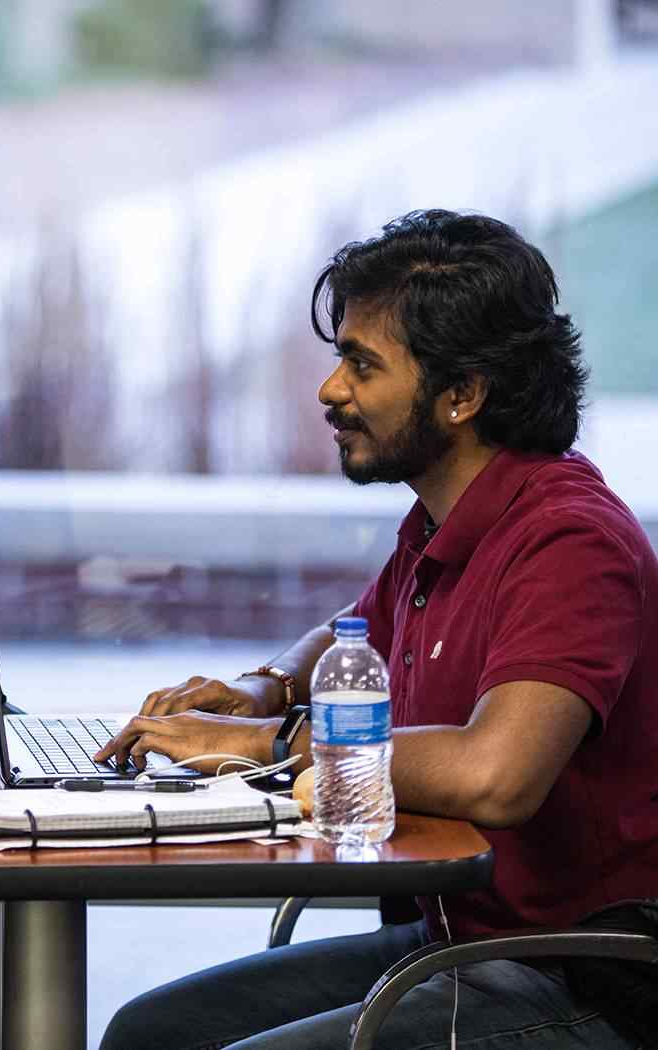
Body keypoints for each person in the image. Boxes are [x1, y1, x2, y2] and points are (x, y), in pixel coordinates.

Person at [95, 210, 658, 1050]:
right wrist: (262, 689)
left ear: (462, 395)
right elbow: (350, 629)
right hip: (464, 944)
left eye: (362, 365)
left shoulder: (570, 543)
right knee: (152, 1033)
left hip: (586, 975)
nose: (331, 390)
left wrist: (270, 742)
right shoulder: (451, 520)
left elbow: (496, 773)